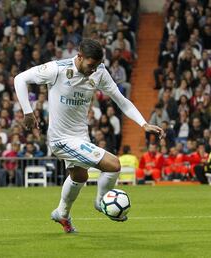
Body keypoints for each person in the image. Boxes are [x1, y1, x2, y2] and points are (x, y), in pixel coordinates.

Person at [14, 39, 163, 233]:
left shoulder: (99, 71)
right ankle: (101, 202)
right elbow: (20, 79)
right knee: (113, 165)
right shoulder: (58, 69)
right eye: (90, 65)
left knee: (79, 176)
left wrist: (143, 123)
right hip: (61, 138)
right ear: (80, 57)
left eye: (96, 66)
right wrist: (27, 112)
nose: (93, 70)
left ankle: (62, 213)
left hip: (80, 136)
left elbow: (121, 100)